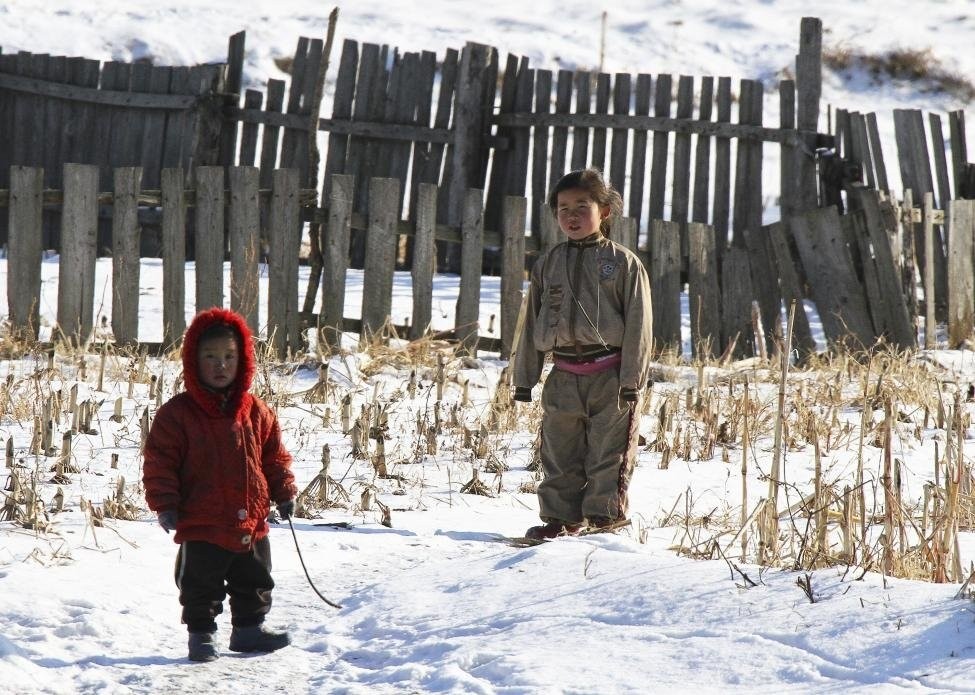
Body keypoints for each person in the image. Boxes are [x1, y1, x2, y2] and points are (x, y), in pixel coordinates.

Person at [143, 307, 298, 663]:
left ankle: (249, 630)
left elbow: (274, 457)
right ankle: (201, 636)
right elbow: (160, 463)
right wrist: (166, 503)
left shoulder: (257, 412)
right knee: (200, 582)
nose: (220, 365)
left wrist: (284, 490)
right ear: (193, 361)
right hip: (202, 520)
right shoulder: (178, 415)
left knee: (255, 577)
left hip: (251, 520)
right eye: (210, 357)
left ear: (242, 360)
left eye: (229, 357)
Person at [513, 167, 653, 540]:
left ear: (604, 212)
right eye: (562, 209)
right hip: (563, 376)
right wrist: (525, 379)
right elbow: (531, 325)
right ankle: (559, 519)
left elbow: (640, 326)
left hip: (611, 375)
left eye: (582, 206)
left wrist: (631, 382)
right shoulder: (548, 263)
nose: (571, 216)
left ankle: (604, 520)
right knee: (559, 454)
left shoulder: (623, 264)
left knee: (609, 455)